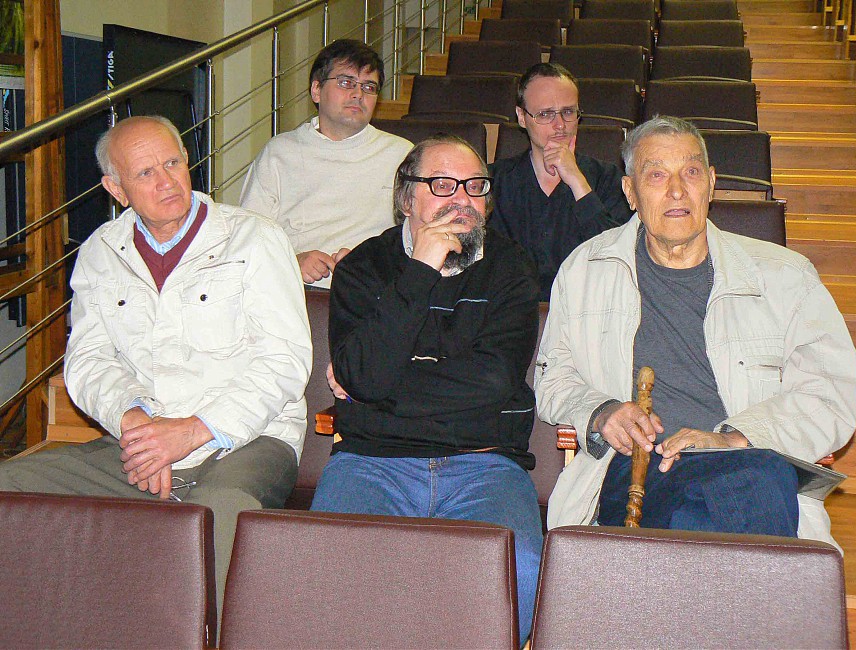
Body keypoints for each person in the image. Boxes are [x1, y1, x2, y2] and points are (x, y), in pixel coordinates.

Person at [0, 116, 313, 624]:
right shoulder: (101, 251)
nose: (167, 181)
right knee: (11, 486)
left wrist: (189, 432)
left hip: (249, 441)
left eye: (172, 163)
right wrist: (135, 422)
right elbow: (88, 359)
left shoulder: (254, 239)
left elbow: (285, 361)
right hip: (142, 441)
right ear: (116, 189)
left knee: (211, 516)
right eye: (145, 173)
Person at [535, 116, 856, 545]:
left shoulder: (785, 277)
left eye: (690, 172)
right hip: (635, 472)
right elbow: (553, 378)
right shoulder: (585, 270)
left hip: (745, 465)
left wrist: (735, 439)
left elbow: (829, 393)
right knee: (739, 502)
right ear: (630, 192)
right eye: (656, 175)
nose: (676, 190)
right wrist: (602, 412)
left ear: (710, 183)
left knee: (743, 487)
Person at [312, 134, 543, 644]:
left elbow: (492, 381)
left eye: (475, 186)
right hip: (372, 461)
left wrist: (376, 391)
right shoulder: (362, 269)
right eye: (442, 185)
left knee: (519, 565)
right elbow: (364, 374)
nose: (462, 199)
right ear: (405, 198)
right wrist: (420, 269)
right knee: (333, 563)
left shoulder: (511, 268)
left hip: (485, 463)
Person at [240, 38, 413, 288]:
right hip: (293, 290)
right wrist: (292, 262)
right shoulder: (279, 153)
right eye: (346, 82)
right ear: (316, 90)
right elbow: (249, 236)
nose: (358, 94)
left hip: (375, 292)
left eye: (369, 87)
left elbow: (420, 235)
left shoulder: (401, 154)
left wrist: (372, 260)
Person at [487, 63, 632, 301]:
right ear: (522, 117)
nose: (560, 125)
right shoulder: (493, 182)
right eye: (545, 114)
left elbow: (618, 260)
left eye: (568, 112)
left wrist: (577, 182)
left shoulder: (608, 179)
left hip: (590, 309)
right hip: (512, 311)